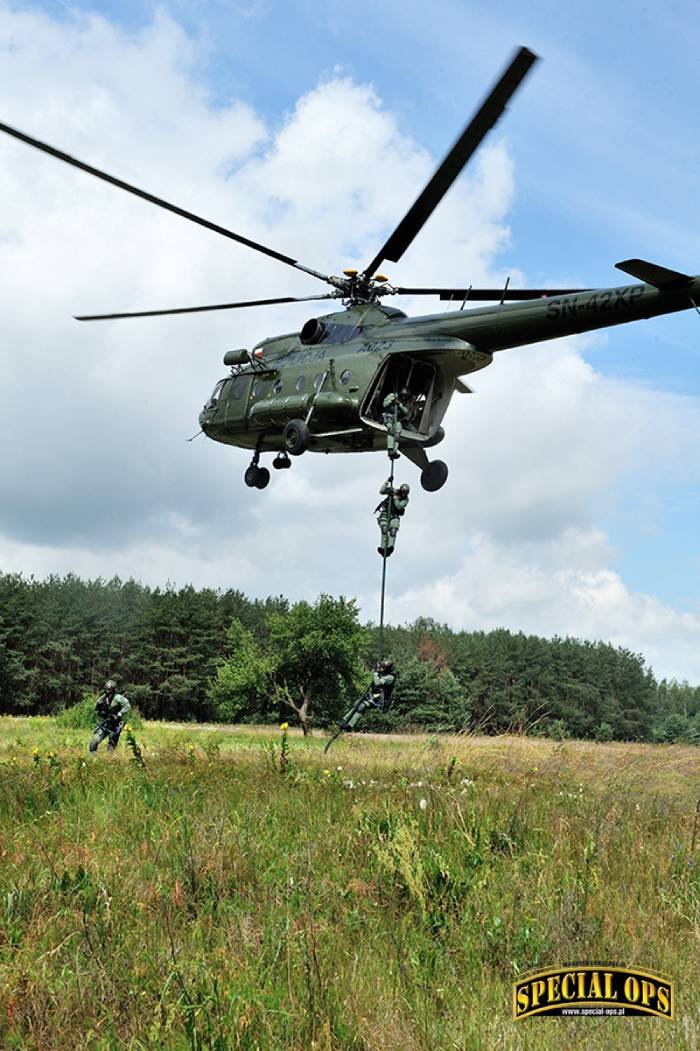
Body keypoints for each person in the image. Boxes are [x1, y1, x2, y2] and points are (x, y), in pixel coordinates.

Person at [338, 659, 397, 731]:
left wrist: (375, 674)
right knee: (357, 703)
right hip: (373, 695)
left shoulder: (390, 677)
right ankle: (344, 720)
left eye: (383, 667)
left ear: (387, 669)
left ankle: (349, 726)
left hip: (381, 700)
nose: (381, 668)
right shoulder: (382, 673)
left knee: (362, 706)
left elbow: (377, 683)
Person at [88, 679, 131, 753]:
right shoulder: (102, 698)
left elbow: (127, 706)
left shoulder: (118, 698)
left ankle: (109, 760)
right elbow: (95, 709)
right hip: (105, 723)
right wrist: (99, 707)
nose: (108, 691)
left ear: (114, 690)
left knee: (111, 746)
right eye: (107, 690)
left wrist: (119, 713)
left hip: (115, 724)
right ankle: (93, 759)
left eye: (110, 690)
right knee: (93, 743)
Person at [376, 479, 410, 557]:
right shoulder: (394, 491)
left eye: (406, 493)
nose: (404, 494)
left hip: (395, 516)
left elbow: (399, 506)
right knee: (384, 529)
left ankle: (390, 547)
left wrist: (395, 498)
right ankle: (383, 547)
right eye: (403, 492)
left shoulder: (405, 500)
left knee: (393, 531)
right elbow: (381, 491)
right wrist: (387, 482)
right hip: (386, 513)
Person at [382, 387, 413, 460]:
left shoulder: (405, 403)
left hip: (397, 419)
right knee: (390, 430)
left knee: (397, 433)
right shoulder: (392, 395)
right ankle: (390, 450)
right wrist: (392, 400)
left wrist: (400, 405)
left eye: (405, 397)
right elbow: (384, 404)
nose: (403, 398)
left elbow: (406, 412)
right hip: (388, 416)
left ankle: (394, 451)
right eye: (402, 396)